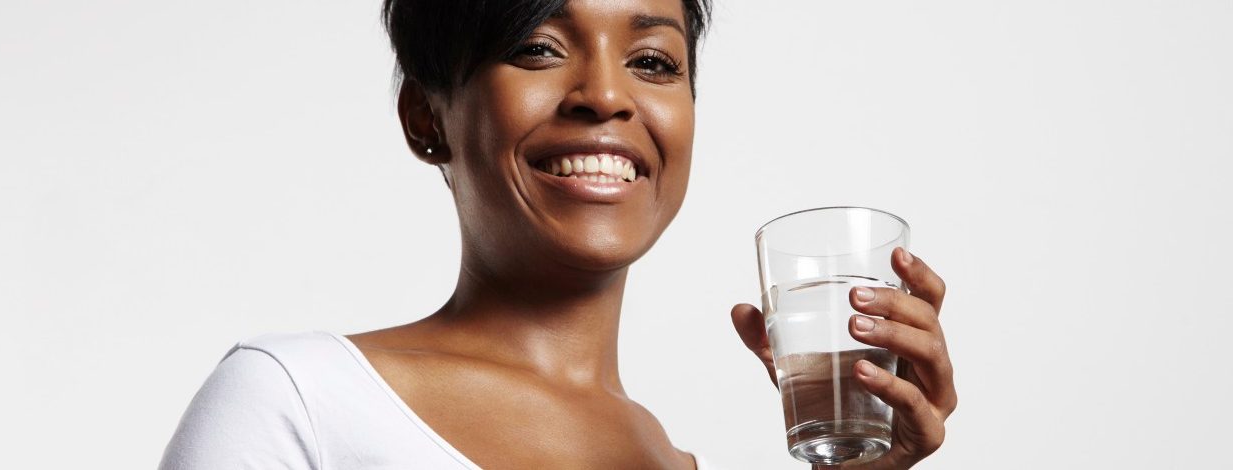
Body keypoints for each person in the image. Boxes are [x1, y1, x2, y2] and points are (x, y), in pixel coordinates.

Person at [159, 0, 956, 468]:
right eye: (538, 47)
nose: (606, 95)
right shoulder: (297, 398)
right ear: (426, 115)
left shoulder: (671, 461)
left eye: (653, 62)